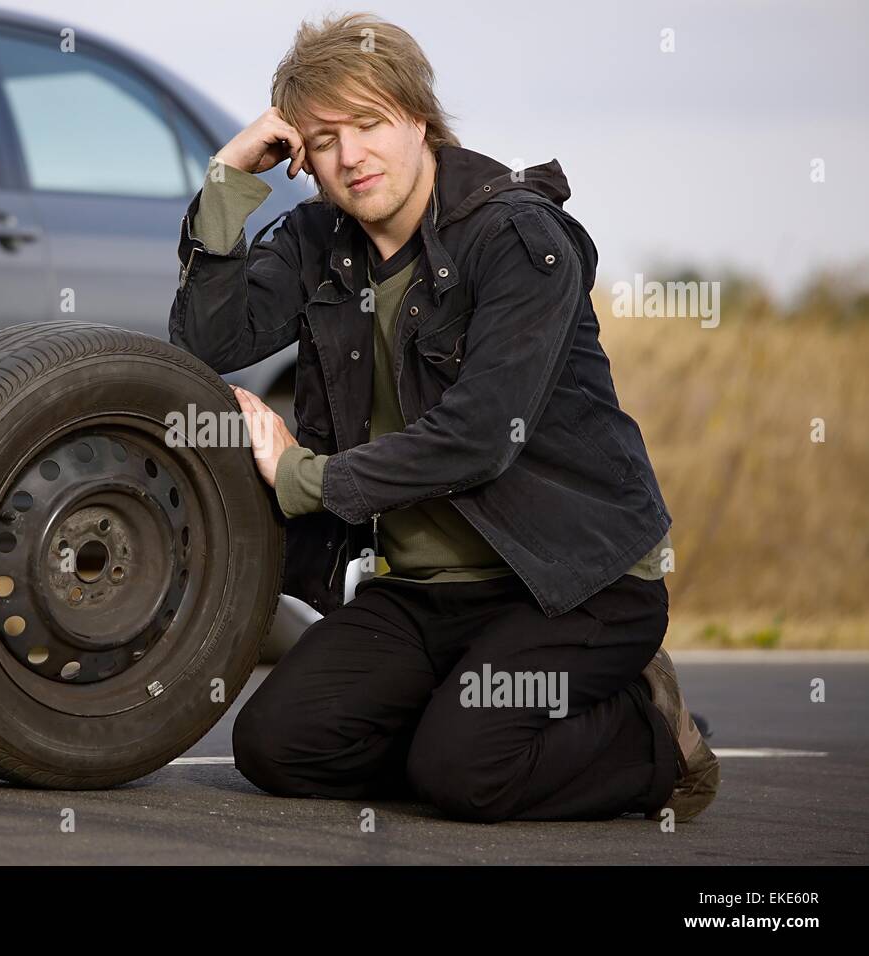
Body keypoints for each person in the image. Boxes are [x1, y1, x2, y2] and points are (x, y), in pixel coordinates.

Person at [167, 12, 718, 822]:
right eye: (322, 139)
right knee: (280, 746)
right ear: (302, 159)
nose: (349, 156)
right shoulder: (320, 238)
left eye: (368, 123)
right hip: (427, 595)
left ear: (418, 117)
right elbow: (210, 339)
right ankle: (453, 734)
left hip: (571, 587)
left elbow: (483, 435)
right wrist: (225, 177)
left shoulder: (519, 238)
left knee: (469, 774)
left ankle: (657, 741)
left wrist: (303, 477)